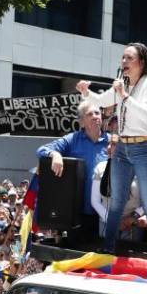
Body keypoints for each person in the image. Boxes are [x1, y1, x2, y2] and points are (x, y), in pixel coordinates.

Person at [75, 43, 147, 257]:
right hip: (123, 147)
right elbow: (100, 101)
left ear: (142, 62)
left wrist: (124, 95)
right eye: (123, 58)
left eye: (129, 58)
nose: (124, 62)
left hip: (145, 147)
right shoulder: (124, 83)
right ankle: (108, 248)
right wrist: (85, 92)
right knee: (116, 201)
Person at [35, 100, 110, 238]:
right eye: (89, 114)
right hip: (76, 214)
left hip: (105, 213)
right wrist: (55, 154)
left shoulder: (112, 142)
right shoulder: (72, 140)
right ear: (81, 122)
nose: (95, 116)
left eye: (97, 113)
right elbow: (42, 150)